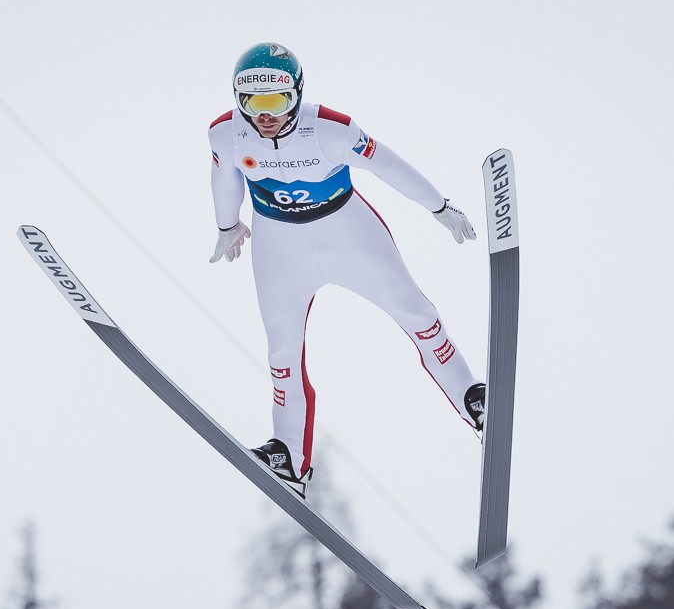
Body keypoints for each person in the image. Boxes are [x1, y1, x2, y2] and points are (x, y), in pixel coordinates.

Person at [207, 42, 485, 498]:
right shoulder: (225, 134)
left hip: (349, 234)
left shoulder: (329, 129)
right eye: (252, 103)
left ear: (297, 94)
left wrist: (439, 207)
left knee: (417, 315)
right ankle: (289, 455)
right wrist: (226, 225)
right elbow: (223, 177)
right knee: (281, 353)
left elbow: (390, 166)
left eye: (276, 100)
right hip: (279, 248)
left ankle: (473, 398)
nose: (266, 115)